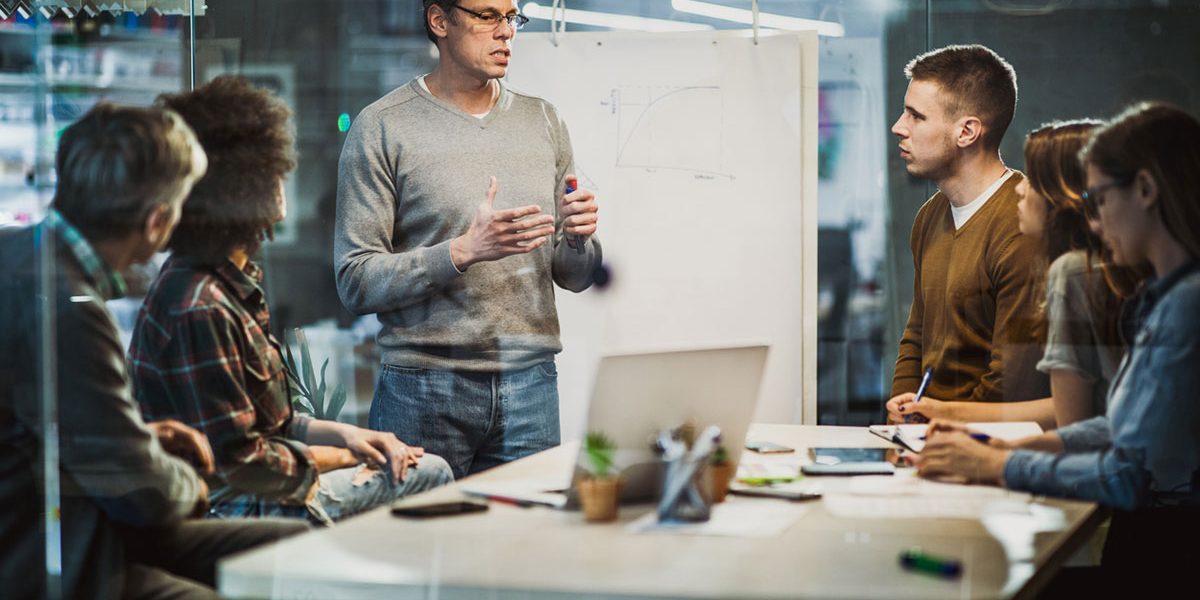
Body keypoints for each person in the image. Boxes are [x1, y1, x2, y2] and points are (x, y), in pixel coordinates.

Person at [0, 103, 307, 599]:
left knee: (289, 545)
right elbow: (142, 494)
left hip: (64, 517)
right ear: (157, 221)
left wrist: (141, 436)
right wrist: (190, 483)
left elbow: (56, 427)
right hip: (45, 550)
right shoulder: (70, 308)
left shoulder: (19, 254)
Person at [129, 76, 453, 525]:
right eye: (275, 174)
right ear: (242, 188)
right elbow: (246, 464)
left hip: (266, 487)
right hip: (240, 507)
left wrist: (351, 436)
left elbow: (270, 427)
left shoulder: (232, 283)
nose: (284, 182)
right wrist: (341, 459)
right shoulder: (201, 303)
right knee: (430, 474)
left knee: (407, 462)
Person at [918, 102, 1200, 584]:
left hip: (1170, 547)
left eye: (1101, 198)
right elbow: (1115, 428)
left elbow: (1126, 475)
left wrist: (1000, 465)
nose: (1095, 220)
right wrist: (1008, 452)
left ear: (1147, 191)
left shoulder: (1185, 305)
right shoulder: (1167, 296)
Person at [334, 0, 602, 478]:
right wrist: (461, 252)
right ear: (440, 21)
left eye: (512, 17)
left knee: (523, 546)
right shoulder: (383, 126)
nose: (506, 32)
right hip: (423, 387)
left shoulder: (543, 120)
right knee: (422, 547)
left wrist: (579, 240)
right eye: (487, 16)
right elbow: (355, 280)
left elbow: (573, 277)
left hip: (530, 385)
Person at [889, 120, 1143, 429]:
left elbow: (1074, 421)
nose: (1020, 187)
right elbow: (1078, 414)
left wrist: (951, 425)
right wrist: (936, 415)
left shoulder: (1074, 273)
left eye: (1034, 178)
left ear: (1065, 196)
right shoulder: (1086, 272)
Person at [886, 44, 1049, 423]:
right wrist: (902, 411)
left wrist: (939, 426)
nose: (899, 126)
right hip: (926, 438)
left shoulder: (1023, 225)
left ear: (967, 132)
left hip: (984, 446)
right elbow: (916, 336)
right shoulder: (930, 216)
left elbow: (1012, 381)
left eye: (916, 116)